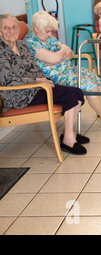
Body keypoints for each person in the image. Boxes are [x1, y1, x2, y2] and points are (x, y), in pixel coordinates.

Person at [25, 11, 101, 129]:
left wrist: (59, 54)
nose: (50, 34)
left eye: (50, 31)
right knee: (92, 87)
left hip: (70, 70)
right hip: (57, 78)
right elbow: (56, 58)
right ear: (36, 28)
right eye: (47, 31)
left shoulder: (48, 38)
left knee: (98, 82)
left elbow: (71, 53)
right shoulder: (31, 42)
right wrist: (61, 52)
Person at [0, 14, 87, 155]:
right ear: (0, 31)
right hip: (20, 96)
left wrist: (44, 79)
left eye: (14, 27)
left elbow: (33, 68)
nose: (11, 31)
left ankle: (68, 133)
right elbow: (8, 80)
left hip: (37, 88)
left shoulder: (22, 45)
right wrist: (36, 81)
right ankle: (68, 141)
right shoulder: (1, 52)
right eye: (6, 28)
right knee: (70, 94)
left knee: (77, 92)